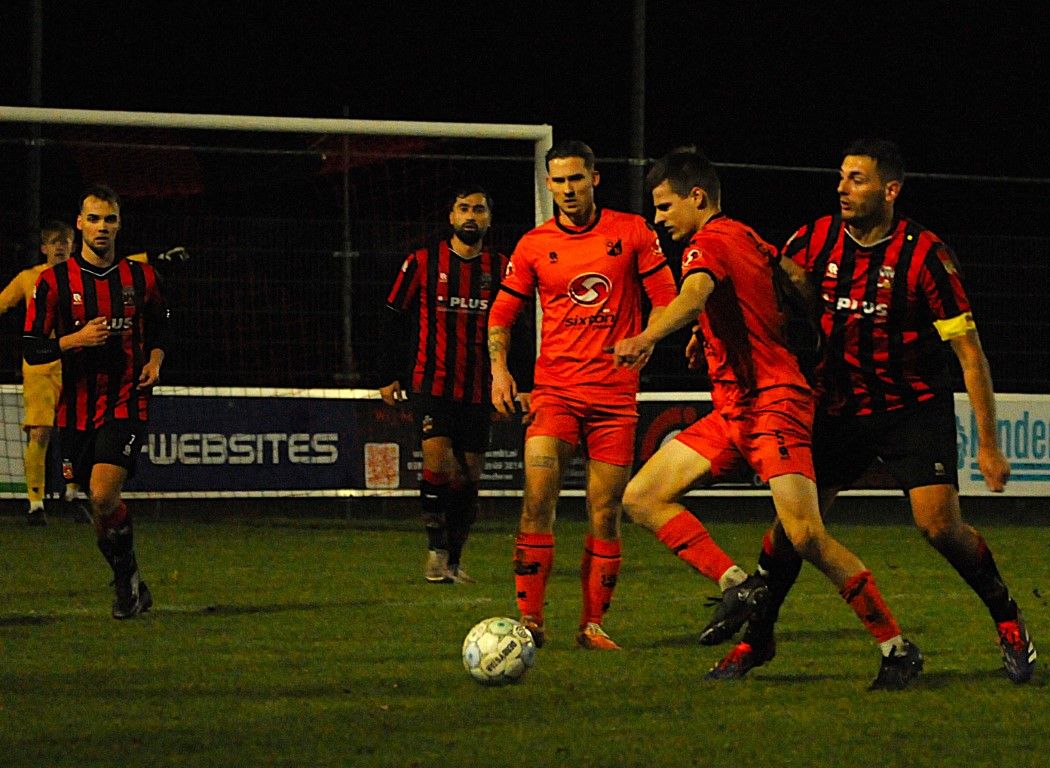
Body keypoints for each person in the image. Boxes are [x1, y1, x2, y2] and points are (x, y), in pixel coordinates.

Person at [711, 138, 1036, 684]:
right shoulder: (812, 241)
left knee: (937, 526)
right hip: (836, 404)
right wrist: (714, 337)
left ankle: (1008, 619)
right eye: (840, 177)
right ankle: (757, 640)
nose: (842, 187)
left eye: (856, 179)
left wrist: (988, 443)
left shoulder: (926, 256)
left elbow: (969, 354)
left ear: (890, 190)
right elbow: (759, 299)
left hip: (912, 407)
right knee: (796, 527)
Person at [615, 147, 923, 689]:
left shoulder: (704, 244)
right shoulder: (745, 235)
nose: (657, 219)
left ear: (697, 198)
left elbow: (694, 294)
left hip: (773, 404)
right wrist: (715, 334)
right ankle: (739, 585)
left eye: (664, 207)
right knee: (641, 497)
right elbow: (797, 281)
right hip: (735, 408)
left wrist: (647, 336)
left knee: (805, 535)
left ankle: (896, 646)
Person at [487, 141, 679, 651]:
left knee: (605, 511)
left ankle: (592, 625)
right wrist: (500, 370)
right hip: (555, 394)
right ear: (548, 185)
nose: (568, 189)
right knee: (536, 503)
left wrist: (648, 340)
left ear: (594, 179)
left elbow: (666, 299)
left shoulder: (631, 232)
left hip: (614, 398)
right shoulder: (533, 245)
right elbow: (503, 312)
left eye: (577, 179)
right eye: (559, 181)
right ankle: (530, 621)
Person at [23, 184, 170, 619]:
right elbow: (33, 348)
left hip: (126, 398)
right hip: (76, 406)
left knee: (104, 491)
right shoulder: (53, 283)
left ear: (119, 224)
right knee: (97, 504)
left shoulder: (141, 278)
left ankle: (126, 587)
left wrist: (157, 359)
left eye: (110, 219)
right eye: (94, 219)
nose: (102, 227)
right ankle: (131, 583)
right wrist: (75, 339)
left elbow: (161, 325)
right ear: (79, 225)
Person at [378, 186, 507, 584]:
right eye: (464, 208)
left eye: (479, 210)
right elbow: (390, 317)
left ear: (488, 218)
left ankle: (454, 558)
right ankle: (435, 552)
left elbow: (516, 325)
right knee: (439, 462)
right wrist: (387, 373)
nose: (471, 216)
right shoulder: (421, 262)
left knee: (469, 477)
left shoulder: (501, 267)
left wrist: (514, 380)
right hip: (430, 383)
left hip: (479, 388)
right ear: (451, 216)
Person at [3, 221, 76, 525]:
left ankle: (73, 493)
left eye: (66, 241)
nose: (61, 246)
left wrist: (156, 259)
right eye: (54, 241)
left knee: (75, 431)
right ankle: (36, 503)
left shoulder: (83, 274)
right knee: (41, 432)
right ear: (44, 248)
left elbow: (123, 273)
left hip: (76, 361)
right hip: (40, 366)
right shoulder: (28, 278)